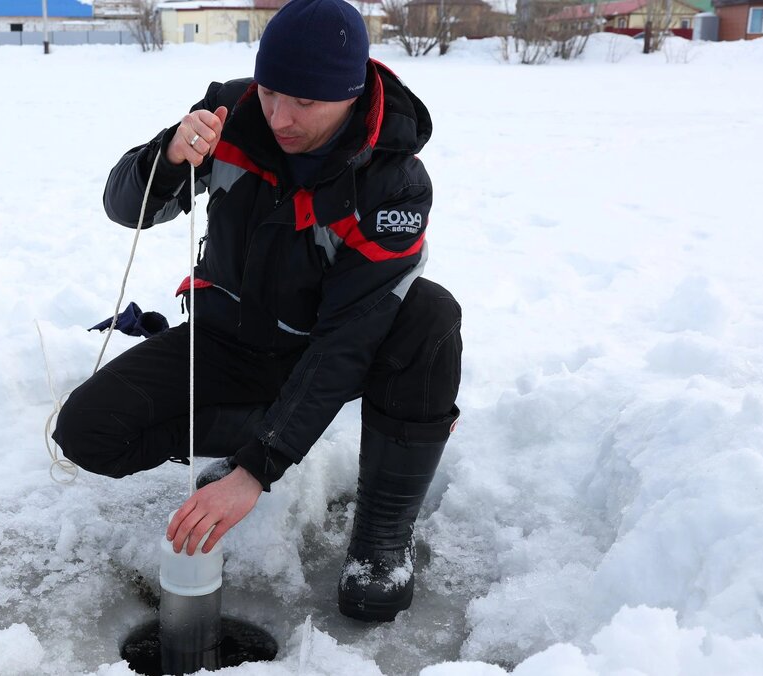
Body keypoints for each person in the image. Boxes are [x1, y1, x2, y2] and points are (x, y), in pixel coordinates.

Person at [53, 0, 462, 622]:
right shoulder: (233, 114)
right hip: (225, 339)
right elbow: (123, 207)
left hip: (322, 351)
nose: (280, 117)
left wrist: (255, 472)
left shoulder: (393, 183)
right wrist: (166, 157)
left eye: (305, 102)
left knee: (429, 315)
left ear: (350, 94)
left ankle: (381, 538)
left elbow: (345, 343)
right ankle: (261, 431)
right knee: (86, 432)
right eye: (270, 92)